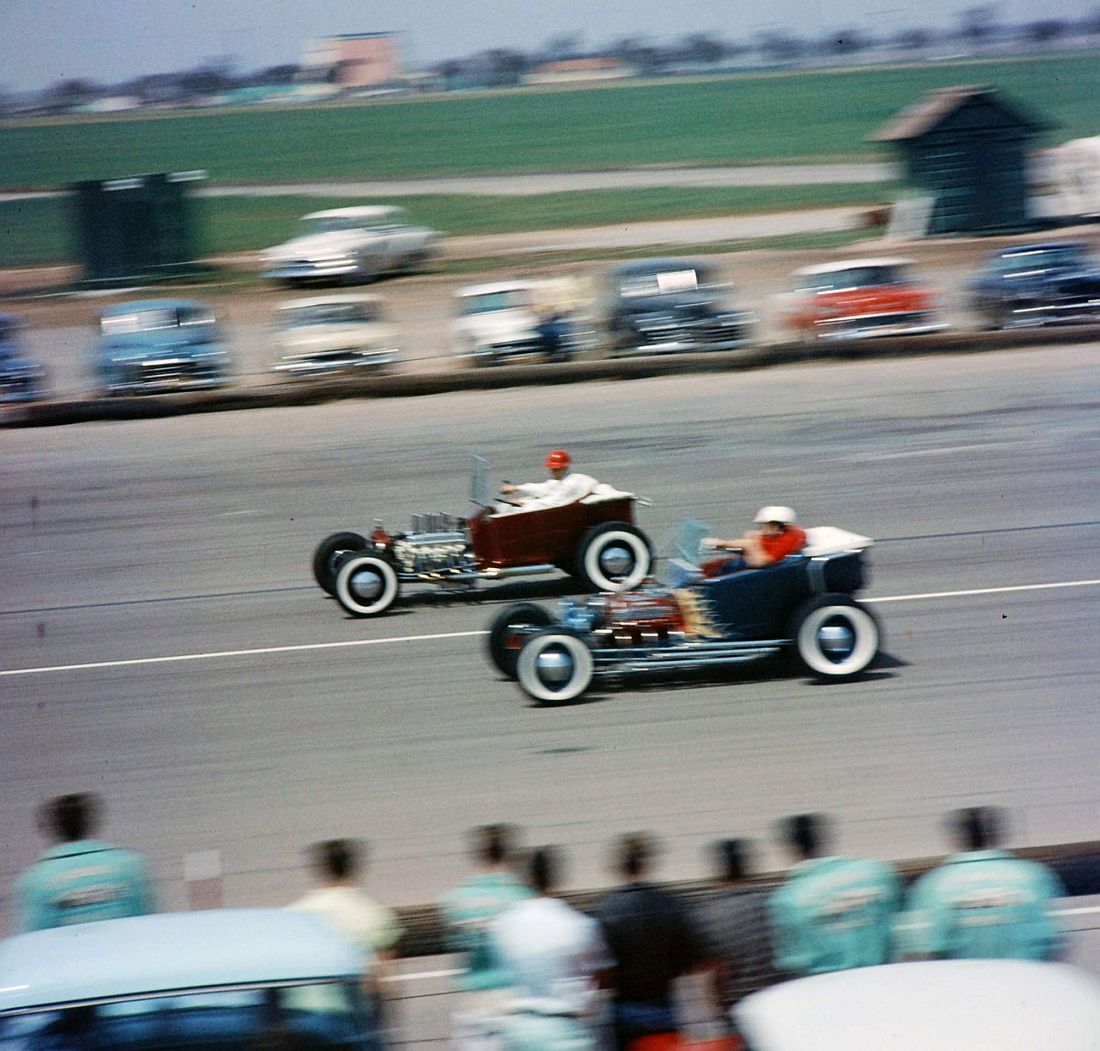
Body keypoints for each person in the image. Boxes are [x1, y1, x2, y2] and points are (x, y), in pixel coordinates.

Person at [485, 845, 615, 1051]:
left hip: (518, 1030)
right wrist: (588, 1003)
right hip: (565, 1031)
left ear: (524, 880)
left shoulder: (502, 925)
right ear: (557, 878)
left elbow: (496, 978)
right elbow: (603, 976)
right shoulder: (578, 923)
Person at [594, 832, 713, 1050]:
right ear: (648, 863)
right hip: (665, 1008)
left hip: (624, 1012)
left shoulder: (605, 911)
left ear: (619, 866)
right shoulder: (673, 904)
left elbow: (602, 972)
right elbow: (697, 960)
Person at [898, 806, 1063, 961]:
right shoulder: (1031, 876)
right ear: (998, 835)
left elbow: (925, 947)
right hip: (1025, 983)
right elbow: (1054, 938)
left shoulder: (935, 884)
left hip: (967, 986)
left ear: (957, 838)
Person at [768, 813, 900, 976]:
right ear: (823, 838)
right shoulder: (875, 873)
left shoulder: (789, 898)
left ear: (791, 847)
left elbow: (795, 963)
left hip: (830, 991)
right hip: (886, 980)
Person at [15, 792, 156, 932]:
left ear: (53, 828)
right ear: (90, 821)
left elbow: (33, 938)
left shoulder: (36, 880)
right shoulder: (128, 866)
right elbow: (148, 925)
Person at [439, 823, 534, 997]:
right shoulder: (523, 898)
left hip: (476, 997)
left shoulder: (455, 901)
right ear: (509, 853)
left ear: (476, 854)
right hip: (515, 992)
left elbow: (457, 942)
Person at [696, 839, 777, 1033]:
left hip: (739, 1017)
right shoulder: (774, 904)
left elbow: (715, 976)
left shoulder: (710, 915)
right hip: (778, 1009)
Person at [704, 507, 807, 576]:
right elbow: (745, 548)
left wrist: (751, 544)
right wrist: (722, 546)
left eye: (766, 526)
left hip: (763, 573)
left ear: (778, 527)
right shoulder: (772, 537)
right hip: (746, 565)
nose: (762, 529)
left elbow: (761, 562)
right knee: (712, 565)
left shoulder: (789, 539)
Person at [498, 449, 597, 512]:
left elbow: (552, 502)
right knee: (504, 507)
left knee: (521, 509)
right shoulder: (559, 480)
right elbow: (542, 488)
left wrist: (523, 501)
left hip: (559, 513)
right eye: (552, 469)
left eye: (556, 469)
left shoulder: (570, 484)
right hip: (553, 507)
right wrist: (516, 488)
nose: (553, 471)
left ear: (565, 468)